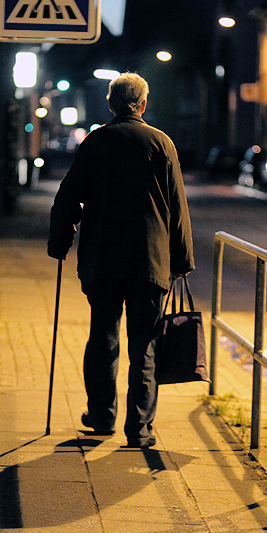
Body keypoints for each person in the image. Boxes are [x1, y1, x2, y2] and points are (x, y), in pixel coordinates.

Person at [47, 72, 195, 448]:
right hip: (150, 261)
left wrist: (60, 242)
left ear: (111, 104)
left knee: (103, 337)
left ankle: (101, 417)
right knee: (143, 344)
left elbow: (68, 197)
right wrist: (182, 260)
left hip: (103, 259)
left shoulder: (95, 143)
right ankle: (139, 428)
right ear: (143, 105)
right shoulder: (162, 143)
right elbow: (177, 207)